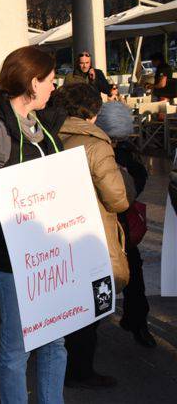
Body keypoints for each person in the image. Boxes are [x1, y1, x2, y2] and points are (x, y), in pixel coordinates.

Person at [0, 46, 66, 403]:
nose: (55, 87)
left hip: (50, 254)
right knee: (18, 347)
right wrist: (4, 244)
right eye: (50, 80)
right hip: (13, 259)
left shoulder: (42, 126)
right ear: (32, 82)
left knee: (56, 341)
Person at [54, 84, 131, 389]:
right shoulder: (95, 145)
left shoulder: (49, 137)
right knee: (92, 307)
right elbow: (118, 199)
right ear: (93, 112)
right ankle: (80, 370)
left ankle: (63, 361)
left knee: (67, 301)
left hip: (60, 235)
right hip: (92, 237)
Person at [95, 101, 157, 348]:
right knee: (115, 274)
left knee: (130, 272)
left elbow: (137, 183)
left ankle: (135, 320)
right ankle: (129, 322)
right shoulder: (103, 149)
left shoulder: (125, 153)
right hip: (109, 223)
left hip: (119, 223)